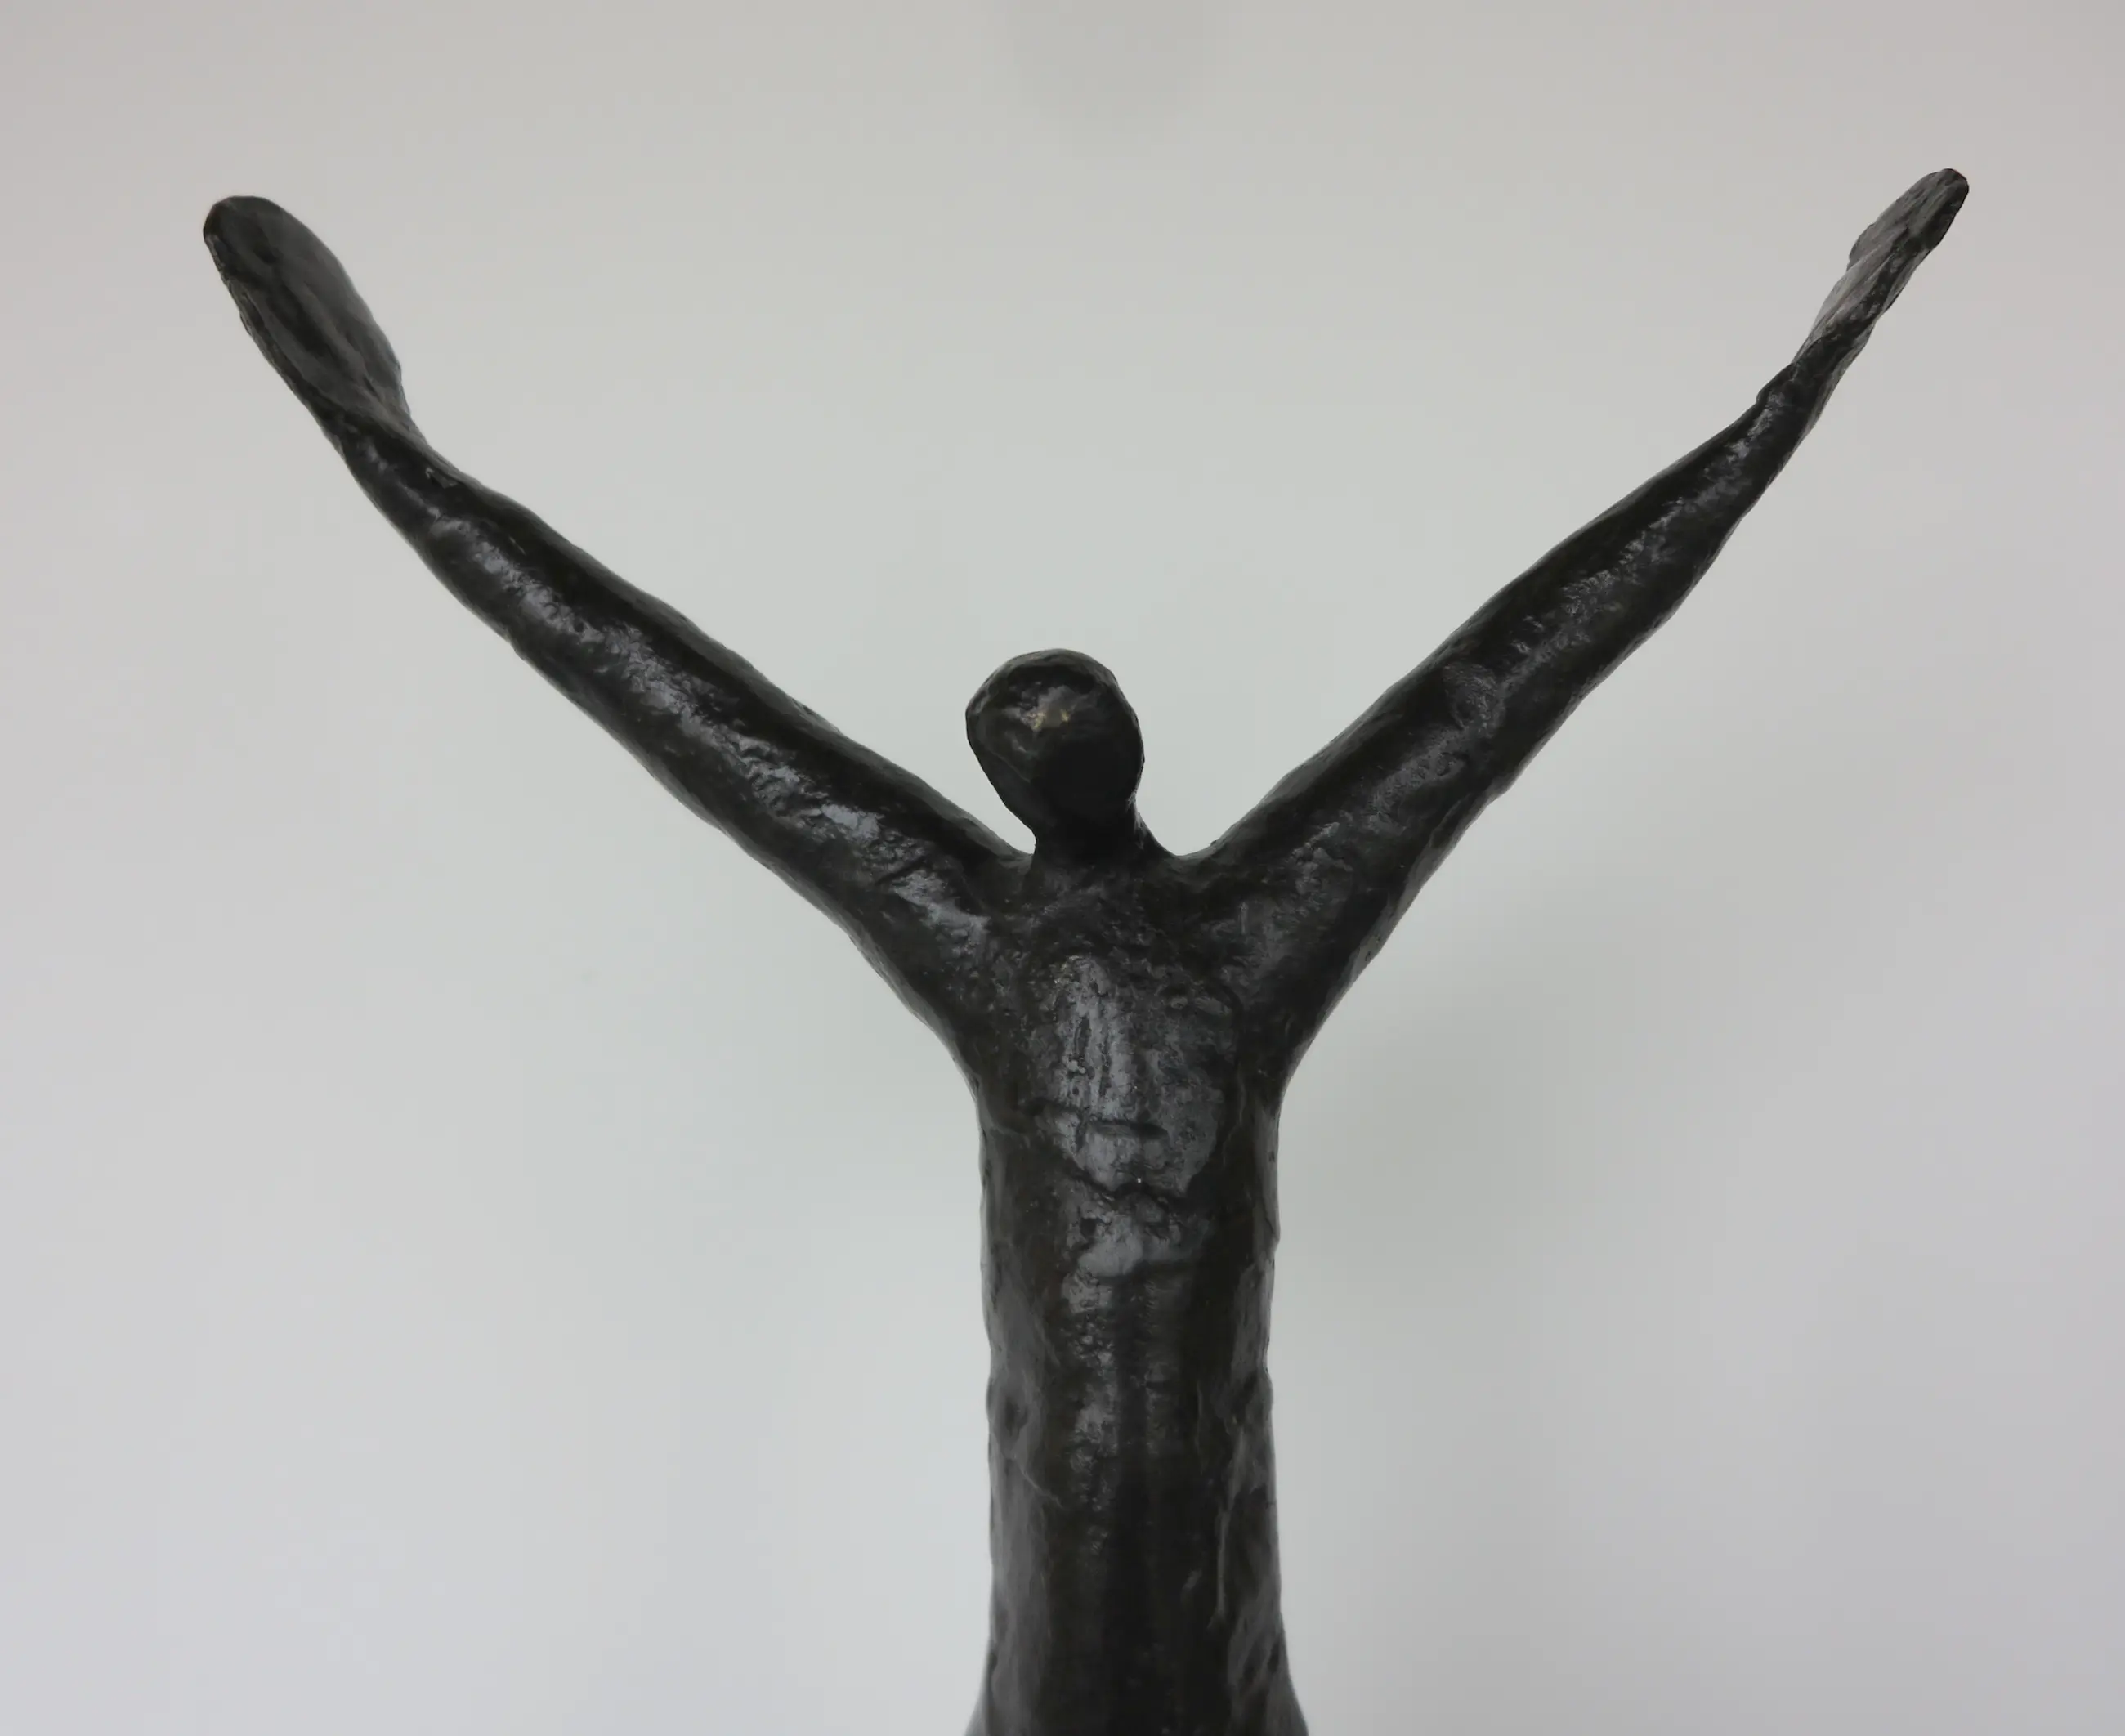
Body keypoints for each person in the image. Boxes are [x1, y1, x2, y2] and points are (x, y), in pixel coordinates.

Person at [205, 168, 1965, 1736]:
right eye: (1036, 727)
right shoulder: (1098, 926)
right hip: (1102, 1563)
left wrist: (1781, 407)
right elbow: (665, 689)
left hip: (1166, 1561)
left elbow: (1511, 671)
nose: (1058, 741)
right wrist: (398, 462)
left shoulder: (1157, 925)